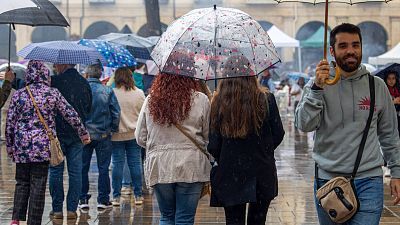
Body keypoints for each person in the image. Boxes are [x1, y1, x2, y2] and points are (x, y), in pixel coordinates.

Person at [295, 23, 400, 225]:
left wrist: (396, 172)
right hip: (328, 182)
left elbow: (389, 134)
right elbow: (304, 124)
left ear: (361, 47)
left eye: (356, 45)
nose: (351, 51)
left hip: (368, 181)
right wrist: (316, 88)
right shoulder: (317, 83)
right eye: (343, 46)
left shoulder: (377, 86)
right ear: (332, 51)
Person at [6, 60, 90, 225]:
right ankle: (34, 221)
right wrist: (83, 133)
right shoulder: (52, 93)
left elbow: (10, 123)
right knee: (38, 183)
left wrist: (10, 146)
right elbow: (70, 114)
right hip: (42, 147)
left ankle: (15, 219)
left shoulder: (19, 94)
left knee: (21, 182)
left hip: (22, 147)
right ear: (45, 74)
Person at [208, 56, 285, 225]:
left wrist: (227, 155)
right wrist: (263, 149)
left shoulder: (218, 103)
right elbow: (278, 133)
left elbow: (213, 144)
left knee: (233, 221)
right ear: (251, 74)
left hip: (231, 172)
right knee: (258, 220)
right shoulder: (266, 99)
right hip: (261, 171)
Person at [135, 60, 211, 224]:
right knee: (184, 218)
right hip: (191, 165)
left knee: (167, 216)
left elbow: (140, 137)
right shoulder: (201, 99)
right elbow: (208, 136)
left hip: (160, 165)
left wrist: (157, 146)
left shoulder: (151, 100)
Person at [48, 64, 92, 220]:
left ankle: (57, 209)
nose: (54, 66)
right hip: (77, 135)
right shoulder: (84, 83)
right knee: (75, 172)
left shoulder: (54, 81)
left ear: (64, 64)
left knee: (55, 170)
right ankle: (72, 209)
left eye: (56, 64)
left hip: (57, 134)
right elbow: (88, 108)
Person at [79, 64, 120, 211]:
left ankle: (82, 198)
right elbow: (116, 112)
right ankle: (103, 199)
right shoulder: (107, 90)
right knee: (103, 168)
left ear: (88, 74)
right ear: (100, 74)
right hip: (103, 134)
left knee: (83, 167)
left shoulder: (81, 90)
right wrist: (113, 129)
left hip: (84, 135)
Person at [110, 67, 145, 206]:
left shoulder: (112, 93)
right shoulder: (139, 93)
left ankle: (116, 197)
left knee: (117, 164)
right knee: (135, 164)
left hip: (116, 135)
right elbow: (143, 114)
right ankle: (138, 195)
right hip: (134, 134)